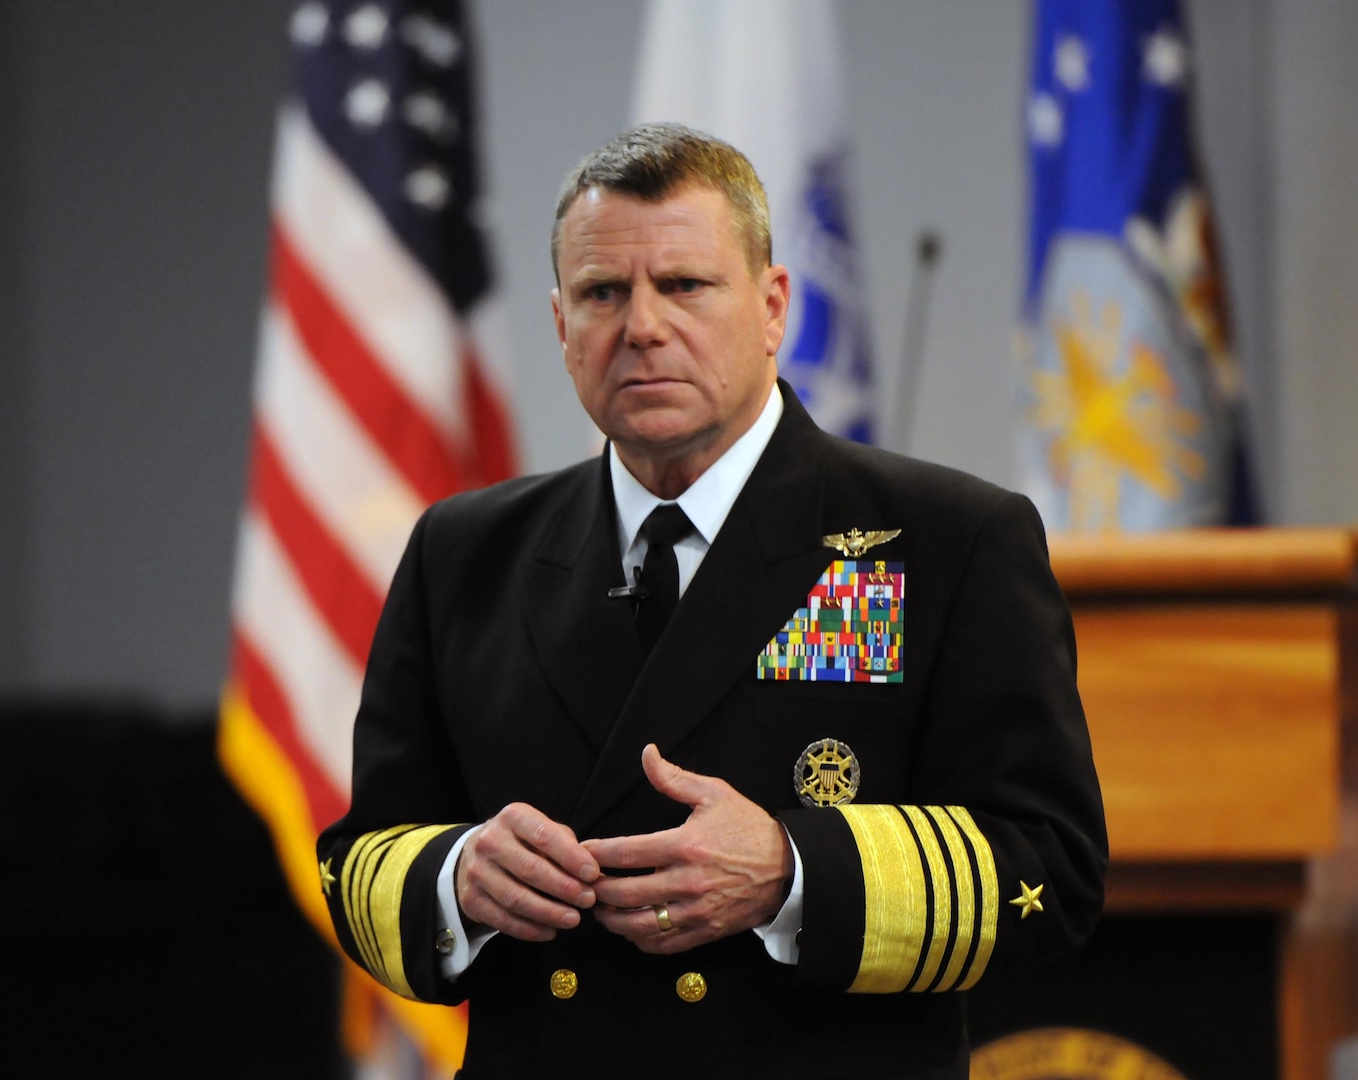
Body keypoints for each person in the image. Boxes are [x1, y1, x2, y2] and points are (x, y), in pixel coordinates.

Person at [316, 123, 1107, 1079]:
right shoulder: (465, 552)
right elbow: (361, 857)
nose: (642, 326)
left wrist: (792, 870)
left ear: (773, 307)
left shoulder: (946, 540)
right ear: (562, 324)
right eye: (603, 292)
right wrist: (455, 877)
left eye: (685, 286)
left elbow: (1052, 869)